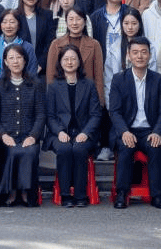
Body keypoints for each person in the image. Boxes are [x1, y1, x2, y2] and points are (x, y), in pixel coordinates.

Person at [108, 37, 161, 209]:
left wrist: (157, 132)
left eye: (144, 52)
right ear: (128, 55)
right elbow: (114, 111)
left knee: (155, 147)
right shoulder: (119, 79)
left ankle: (157, 195)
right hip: (128, 129)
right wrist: (124, 132)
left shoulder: (158, 80)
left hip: (150, 130)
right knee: (125, 148)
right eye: (135, 52)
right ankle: (122, 193)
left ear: (150, 55)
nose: (140, 56)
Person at [0, 43, 46, 207]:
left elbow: (41, 114)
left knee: (29, 151)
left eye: (19, 57)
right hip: (7, 136)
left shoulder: (35, 84)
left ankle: (25, 192)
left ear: (25, 60)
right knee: (12, 151)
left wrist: (33, 136)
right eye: (11, 58)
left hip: (28, 135)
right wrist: (3, 135)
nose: (15, 61)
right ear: (5, 62)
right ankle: (12, 192)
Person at [45, 44, 102, 207]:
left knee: (79, 148)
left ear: (79, 62)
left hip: (84, 132)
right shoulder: (54, 86)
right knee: (64, 149)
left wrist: (86, 133)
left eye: (73, 59)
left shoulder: (88, 85)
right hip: (60, 133)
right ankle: (65, 195)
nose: (69, 62)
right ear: (60, 62)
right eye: (66, 59)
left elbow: (96, 114)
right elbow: (50, 116)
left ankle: (80, 195)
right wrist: (59, 132)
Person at [46, 5, 106, 95]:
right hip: (62, 97)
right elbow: (50, 77)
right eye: (71, 19)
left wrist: (99, 100)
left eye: (78, 19)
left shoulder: (94, 45)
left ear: (85, 21)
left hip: (87, 96)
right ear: (66, 22)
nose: (74, 23)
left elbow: (99, 78)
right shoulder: (56, 44)